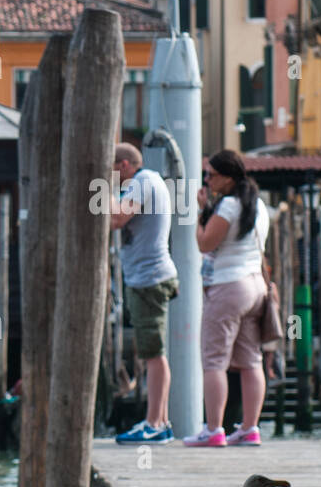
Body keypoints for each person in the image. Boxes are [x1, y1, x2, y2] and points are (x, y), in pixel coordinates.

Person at [184, 149, 271, 447]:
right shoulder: (257, 205)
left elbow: (205, 243)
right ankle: (250, 428)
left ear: (227, 177)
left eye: (211, 174)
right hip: (255, 286)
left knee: (214, 360)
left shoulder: (229, 206)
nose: (207, 180)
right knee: (250, 360)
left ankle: (213, 429)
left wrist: (199, 212)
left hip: (228, 286)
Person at [109, 143, 178, 444]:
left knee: (154, 354)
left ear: (123, 165)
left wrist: (99, 187)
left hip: (149, 279)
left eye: (110, 169)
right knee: (153, 353)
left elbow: (117, 218)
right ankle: (159, 421)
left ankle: (154, 424)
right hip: (147, 278)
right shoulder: (146, 181)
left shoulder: (143, 182)